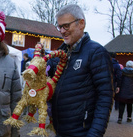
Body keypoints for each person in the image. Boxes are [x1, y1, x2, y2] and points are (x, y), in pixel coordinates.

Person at [46, 4, 114, 137]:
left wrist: (95, 134)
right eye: (59, 27)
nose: (62, 31)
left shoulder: (96, 52)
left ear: (81, 23)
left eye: (66, 26)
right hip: (60, 130)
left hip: (82, 131)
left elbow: (105, 97)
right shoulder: (59, 54)